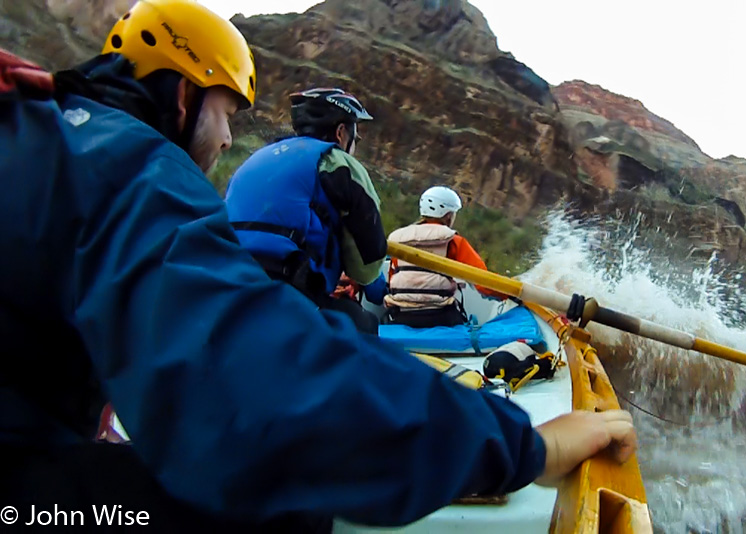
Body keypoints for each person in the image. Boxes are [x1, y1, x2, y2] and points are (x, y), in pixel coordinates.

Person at [0, 1, 636, 532]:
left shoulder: (39, 125)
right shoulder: (129, 164)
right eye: (223, 113)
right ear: (185, 95)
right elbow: (314, 325)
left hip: (224, 303)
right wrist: (529, 446)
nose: (225, 139)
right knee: (281, 496)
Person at [224, 87, 384, 335]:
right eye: (356, 138)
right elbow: (367, 267)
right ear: (341, 133)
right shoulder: (339, 163)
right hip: (288, 289)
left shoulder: (259, 157)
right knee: (363, 325)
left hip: (230, 279)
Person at [385, 186, 507, 328]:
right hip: (440, 317)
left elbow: (392, 279)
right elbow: (483, 282)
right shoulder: (453, 241)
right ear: (448, 216)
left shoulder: (399, 240)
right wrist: (509, 294)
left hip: (401, 316)